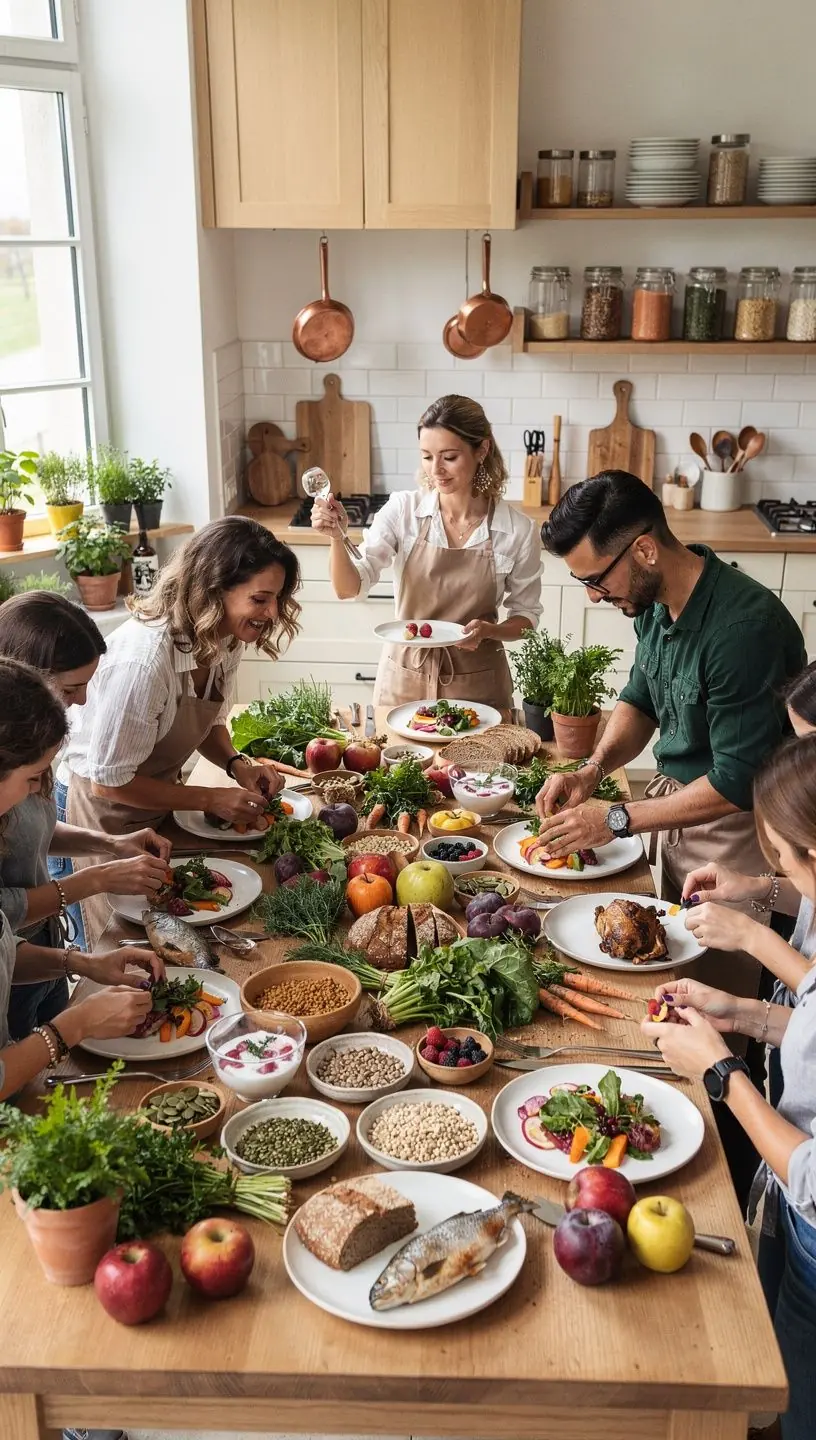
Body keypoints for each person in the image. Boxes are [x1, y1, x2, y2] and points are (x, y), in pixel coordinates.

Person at [534, 470, 805, 998]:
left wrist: (615, 818)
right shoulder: (655, 605)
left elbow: (733, 782)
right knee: (667, 978)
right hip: (677, 820)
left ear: (645, 551)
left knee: (721, 1002)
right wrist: (592, 770)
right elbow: (639, 700)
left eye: (596, 580)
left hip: (739, 835)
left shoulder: (743, 632)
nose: (592, 597)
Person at [642, 733, 816, 1440]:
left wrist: (722, 1072)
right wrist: (740, 1015)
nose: (794, 882)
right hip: (792, 1221)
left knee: (794, 1406)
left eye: (793, 859)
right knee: (771, 1380)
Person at [62, 517, 302, 945]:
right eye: (261, 599)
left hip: (157, 805)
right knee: (121, 947)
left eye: (278, 599)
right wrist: (210, 797)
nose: (272, 613)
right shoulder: (144, 661)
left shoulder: (224, 637)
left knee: (174, 932)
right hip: (103, 818)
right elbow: (109, 785)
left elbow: (206, 722)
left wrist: (236, 765)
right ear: (213, 590)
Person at [0, 594, 171, 1038]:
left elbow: (33, 830)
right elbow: (5, 910)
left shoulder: (28, 752)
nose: (80, 702)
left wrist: (109, 844)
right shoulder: (17, 746)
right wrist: (96, 879)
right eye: (70, 689)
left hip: (37, 949)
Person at [311, 395, 543, 708]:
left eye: (449, 457)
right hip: (404, 679)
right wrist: (336, 538)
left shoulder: (516, 530)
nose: (436, 470)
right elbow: (348, 588)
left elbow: (525, 617)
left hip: (480, 687)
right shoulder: (403, 511)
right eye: (426, 456)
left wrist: (491, 630)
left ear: (482, 450)